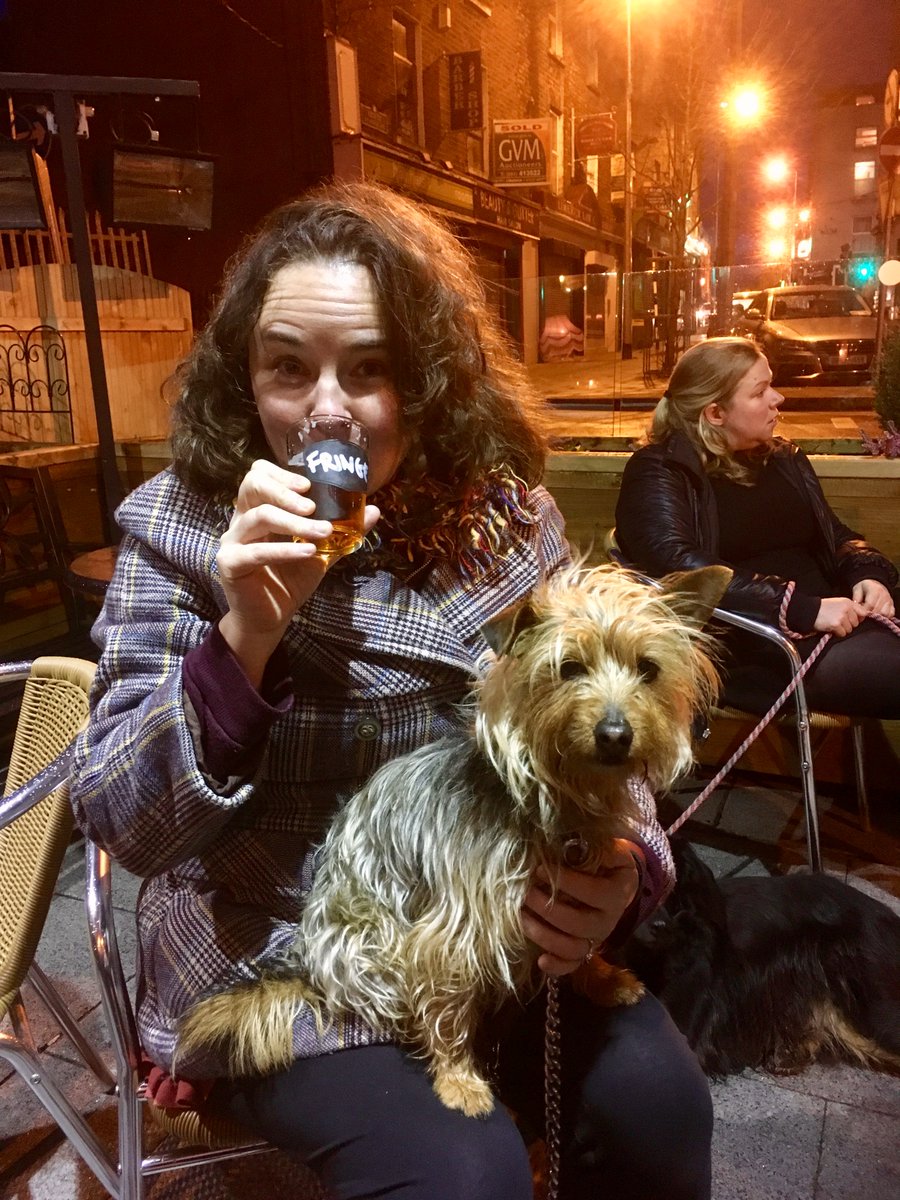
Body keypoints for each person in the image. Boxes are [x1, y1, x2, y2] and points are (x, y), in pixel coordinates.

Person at [70, 181, 712, 1200]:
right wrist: (246, 633)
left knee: (662, 1109)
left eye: (370, 369)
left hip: (494, 921)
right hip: (285, 952)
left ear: (429, 380)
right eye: (290, 366)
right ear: (247, 377)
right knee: (462, 1172)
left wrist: (627, 863)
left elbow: (600, 724)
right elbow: (122, 822)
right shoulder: (179, 528)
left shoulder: (508, 526)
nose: (327, 410)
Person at [615, 336, 900, 717]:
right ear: (716, 413)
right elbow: (676, 565)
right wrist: (800, 608)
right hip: (760, 646)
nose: (777, 398)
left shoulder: (783, 459)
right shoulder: (659, 470)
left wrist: (868, 574)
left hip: (838, 617)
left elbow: (835, 535)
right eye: (760, 391)